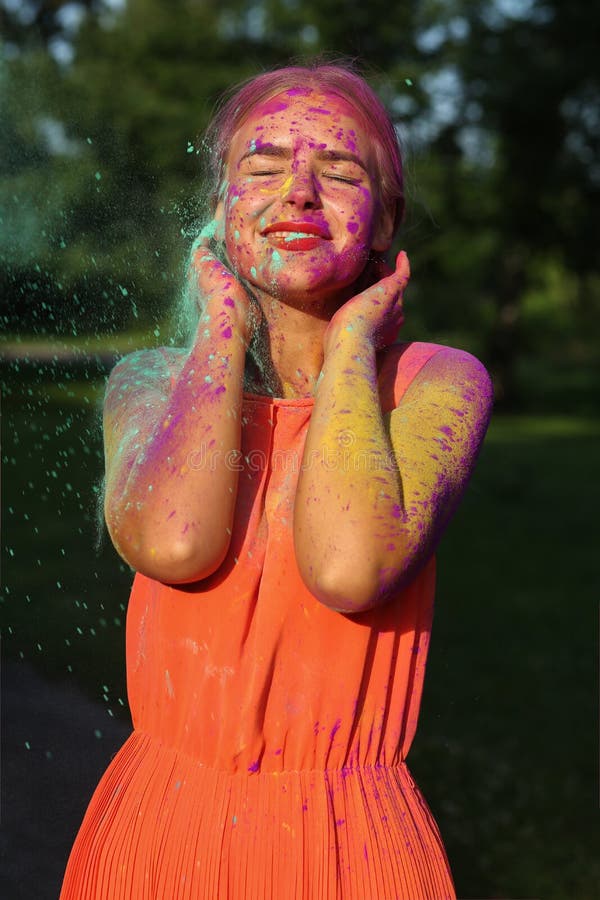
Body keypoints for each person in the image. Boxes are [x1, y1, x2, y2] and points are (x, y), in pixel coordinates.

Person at [60, 62, 493, 899]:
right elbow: (175, 542)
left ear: (384, 223)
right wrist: (221, 321)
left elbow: (348, 564)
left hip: (344, 848)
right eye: (262, 168)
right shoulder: (150, 384)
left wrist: (354, 345)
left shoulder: (437, 386)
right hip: (161, 830)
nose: (297, 193)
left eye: (339, 173)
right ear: (221, 206)